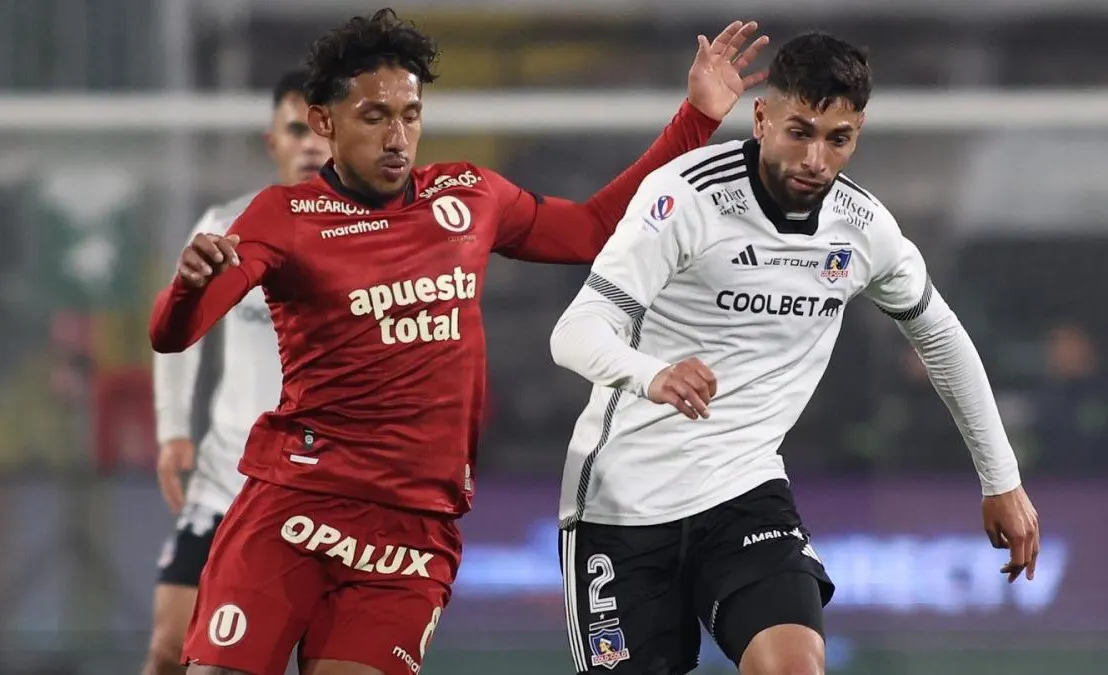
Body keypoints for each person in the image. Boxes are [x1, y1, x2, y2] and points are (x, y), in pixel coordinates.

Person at [148, 9, 769, 675]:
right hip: (296, 504)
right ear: (324, 122)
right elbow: (171, 335)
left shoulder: (469, 195)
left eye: (409, 115)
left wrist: (697, 118)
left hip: (411, 530)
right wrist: (189, 286)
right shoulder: (282, 215)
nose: (397, 137)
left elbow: (591, 229)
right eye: (374, 117)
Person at [549, 32, 1041, 675]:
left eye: (838, 139)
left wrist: (1002, 480)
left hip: (744, 492)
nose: (815, 158)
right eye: (799, 132)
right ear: (761, 118)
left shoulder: (863, 229)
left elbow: (942, 339)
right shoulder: (685, 197)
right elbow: (575, 331)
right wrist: (652, 374)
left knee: (794, 667)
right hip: (621, 505)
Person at [143, 68, 331, 675]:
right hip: (228, 475)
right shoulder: (227, 226)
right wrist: (174, 430)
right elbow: (179, 330)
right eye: (296, 130)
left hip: (323, 483)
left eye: (321, 130)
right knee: (171, 646)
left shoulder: (371, 236)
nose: (310, 144)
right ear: (272, 141)